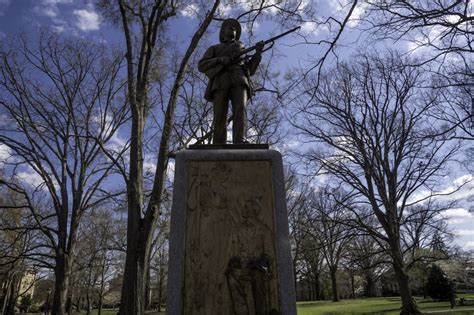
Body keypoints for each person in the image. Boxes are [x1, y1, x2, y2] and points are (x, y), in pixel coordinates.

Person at [198, 18, 264, 144]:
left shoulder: (242, 49)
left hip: (240, 80)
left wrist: (257, 53)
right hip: (220, 82)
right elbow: (202, 65)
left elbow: (250, 69)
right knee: (220, 114)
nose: (233, 29)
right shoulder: (215, 48)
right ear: (223, 32)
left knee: (241, 110)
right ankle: (218, 143)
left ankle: (240, 140)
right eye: (230, 27)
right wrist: (220, 60)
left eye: (235, 28)